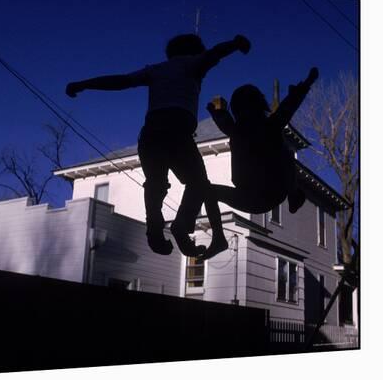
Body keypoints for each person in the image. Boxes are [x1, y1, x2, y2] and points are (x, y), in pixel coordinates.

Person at [66, 33, 251, 259]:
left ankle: (154, 226)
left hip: (151, 134)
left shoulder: (156, 69)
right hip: (178, 134)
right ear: (194, 51)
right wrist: (235, 44)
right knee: (199, 184)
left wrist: (84, 84)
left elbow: (121, 81)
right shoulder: (193, 63)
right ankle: (181, 226)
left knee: (156, 182)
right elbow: (214, 54)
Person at [206, 67, 319, 216]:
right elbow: (225, 122)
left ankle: (294, 194)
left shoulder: (268, 125)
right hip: (249, 194)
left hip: (267, 192)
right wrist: (216, 112)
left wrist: (306, 84)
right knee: (207, 191)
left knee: (287, 152)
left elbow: (289, 105)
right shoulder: (241, 129)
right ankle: (212, 234)